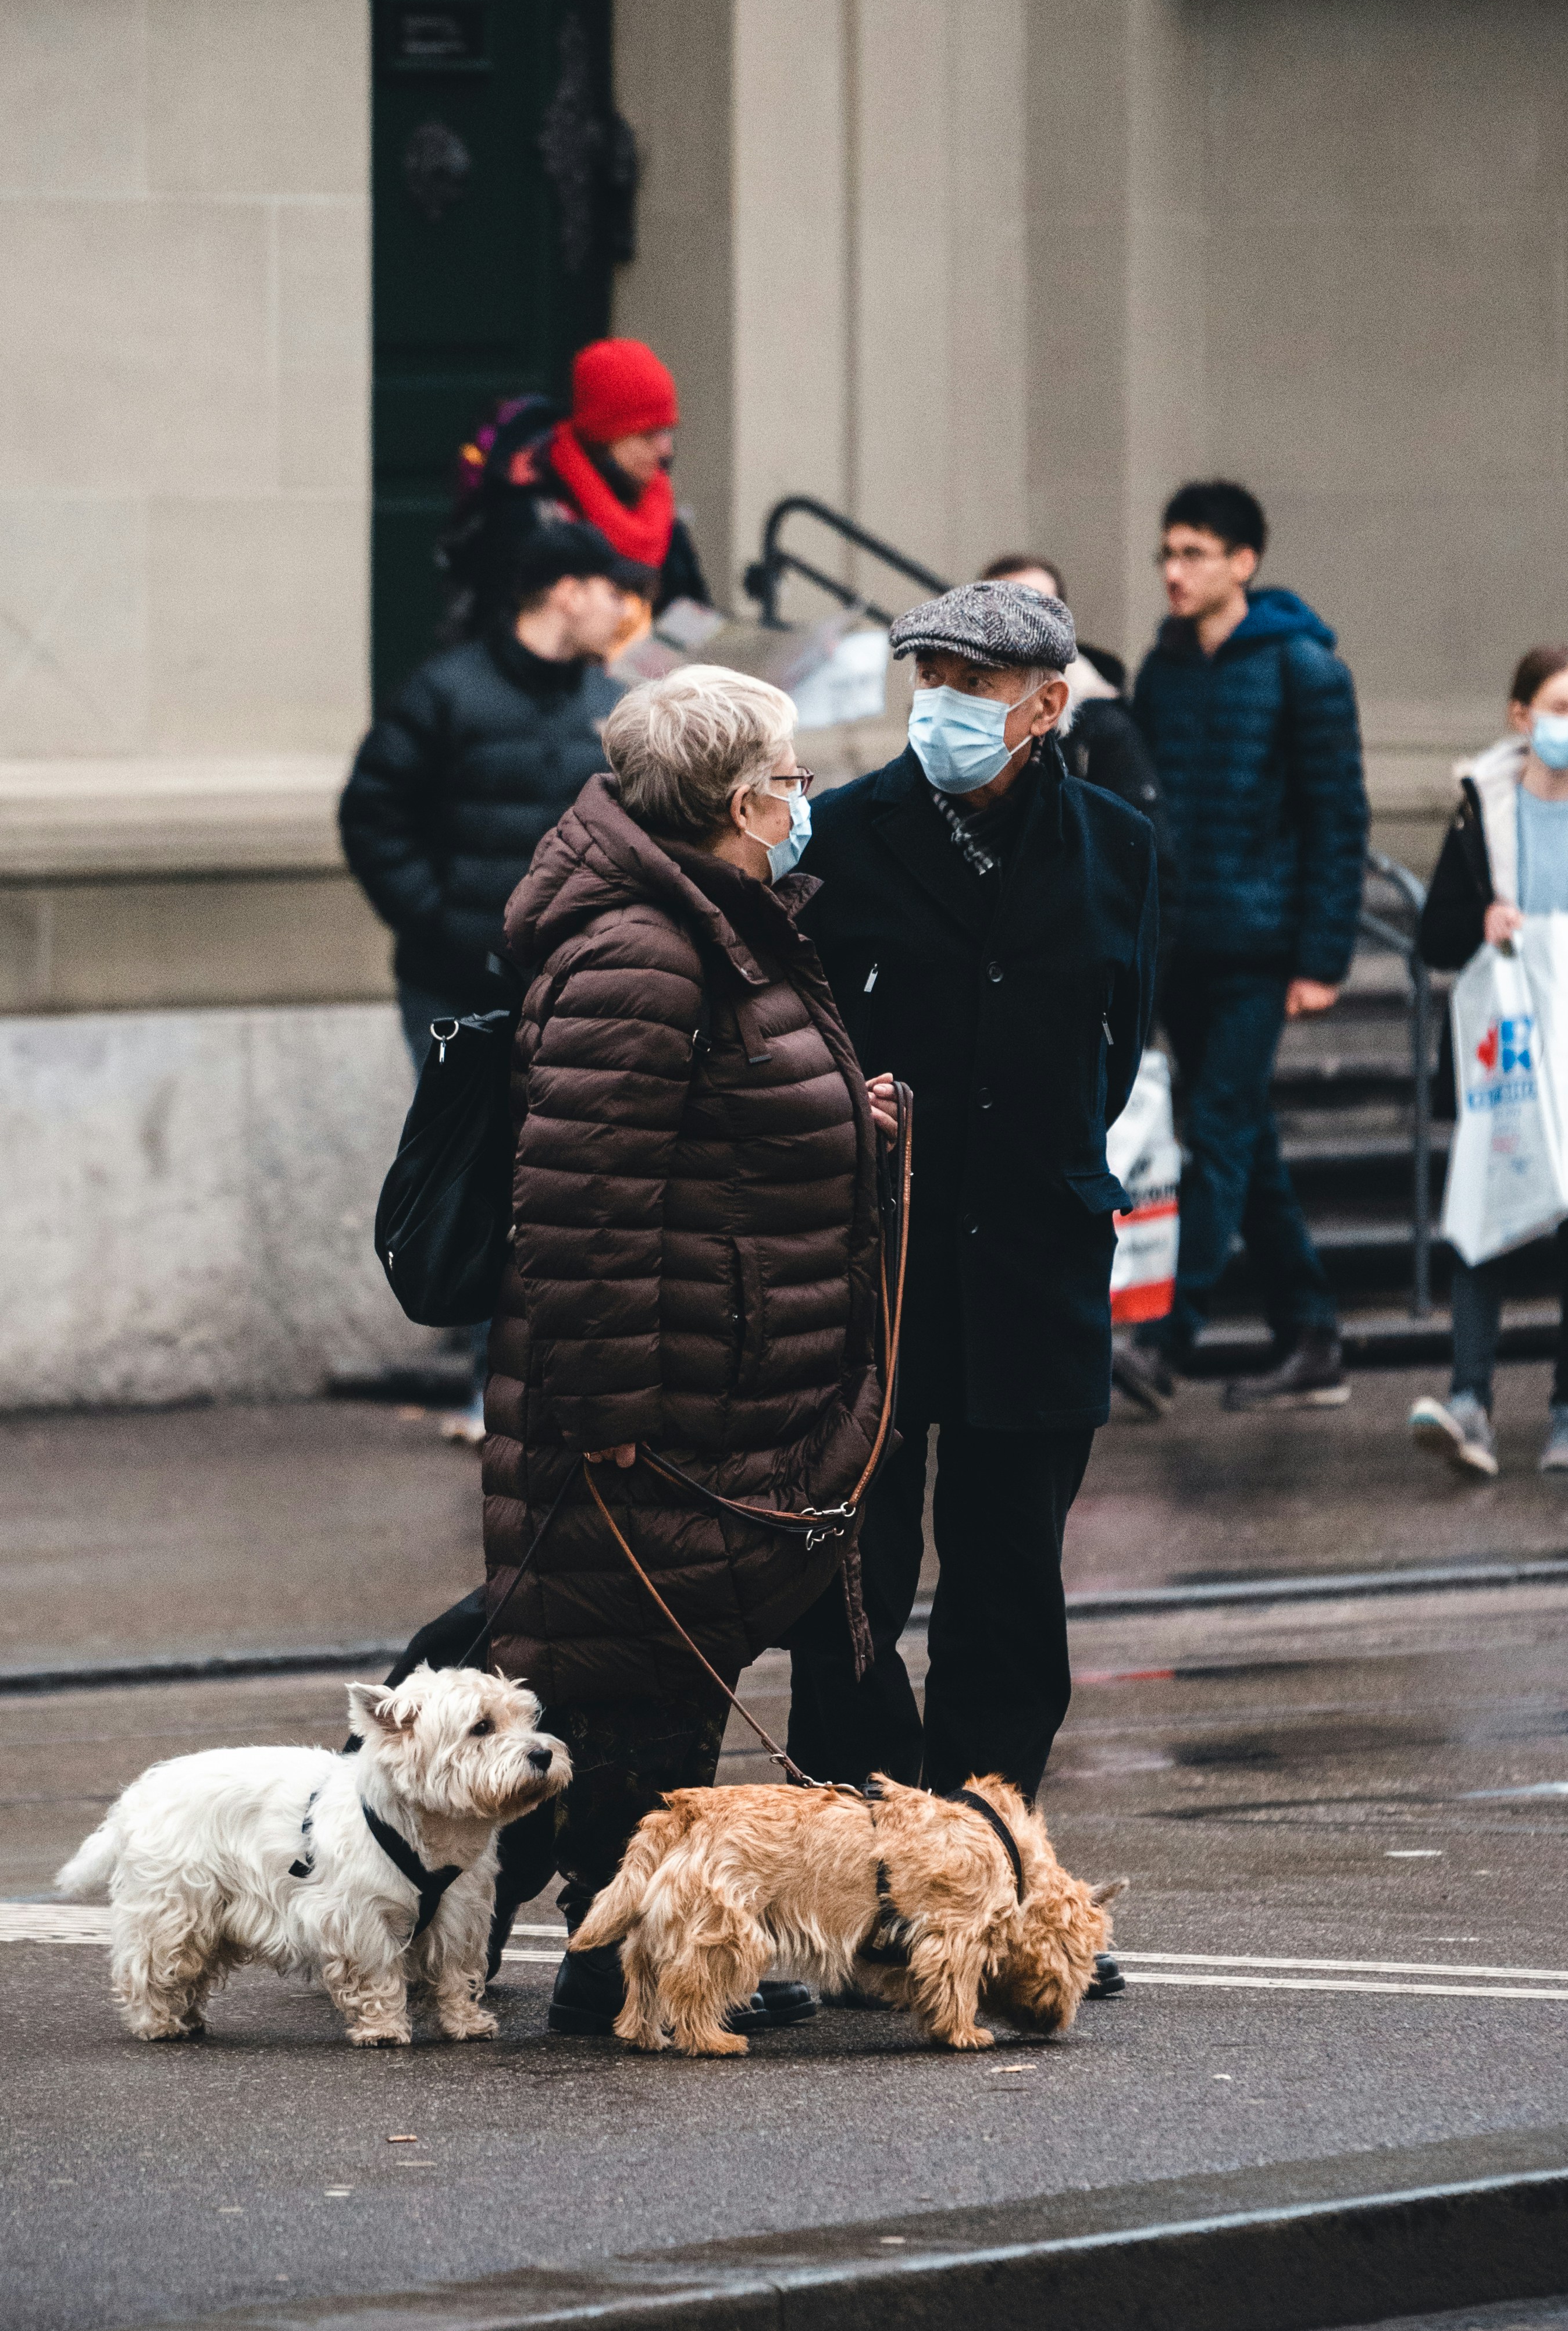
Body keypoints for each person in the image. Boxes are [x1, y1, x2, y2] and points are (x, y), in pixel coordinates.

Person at [478, 664, 901, 2037]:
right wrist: (607, 1408)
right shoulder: (643, 947)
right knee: (637, 1670)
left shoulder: (712, 917)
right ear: (735, 800)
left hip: (726, 1376)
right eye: (790, 778)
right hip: (660, 1395)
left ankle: (646, 1951)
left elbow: (724, 1118)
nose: (802, 800)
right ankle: (616, 1965)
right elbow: (585, 1200)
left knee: (662, 1659)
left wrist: (854, 1115)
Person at [783, 581, 1157, 1809]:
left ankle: (985, 1865)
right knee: (850, 1587)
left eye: (971, 683)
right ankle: (860, 1864)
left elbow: (1120, 1043)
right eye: (925, 678)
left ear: (1046, 704)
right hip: (872, 1277)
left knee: (1009, 1596)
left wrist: (1042, 1162)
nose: (938, 702)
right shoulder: (836, 838)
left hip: (1033, 1267)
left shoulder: (1115, 844)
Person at [339, 521, 641, 1439]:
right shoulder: (447, 691)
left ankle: (536, 1380)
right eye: (607, 587)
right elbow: (372, 813)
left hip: (570, 979)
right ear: (561, 591)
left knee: (558, 1176)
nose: (623, 609)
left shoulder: (611, 701)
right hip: (455, 984)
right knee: (478, 1171)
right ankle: (484, 1383)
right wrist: (439, 920)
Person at [1115, 479, 1368, 1419]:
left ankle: (1165, 1338)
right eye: (1165, 553)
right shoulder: (1164, 666)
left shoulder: (1304, 667)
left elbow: (1335, 819)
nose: (1172, 571)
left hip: (1260, 950)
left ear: (1241, 562)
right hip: (1178, 944)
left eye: (1191, 553)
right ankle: (1311, 1335)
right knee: (1245, 1144)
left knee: (1215, 1139)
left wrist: (1319, 959)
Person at [1410, 647, 1568, 1481]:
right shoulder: (1476, 809)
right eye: (1558, 707)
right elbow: (1435, 934)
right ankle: (1468, 1400)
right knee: (1482, 1209)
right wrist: (1485, 923)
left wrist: (1563, 943)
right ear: (1518, 714)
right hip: (1501, 1045)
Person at [458, 338, 711, 634]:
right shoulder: (530, 514)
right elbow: (503, 633)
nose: (665, 450)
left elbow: (696, 622)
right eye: (647, 436)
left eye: (667, 431)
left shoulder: (660, 510)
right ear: (603, 440)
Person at [977, 553, 1174, 900]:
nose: (1025, 626)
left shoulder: (1101, 726)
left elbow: (1150, 866)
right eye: (1006, 612)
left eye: (1041, 610)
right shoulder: (961, 723)